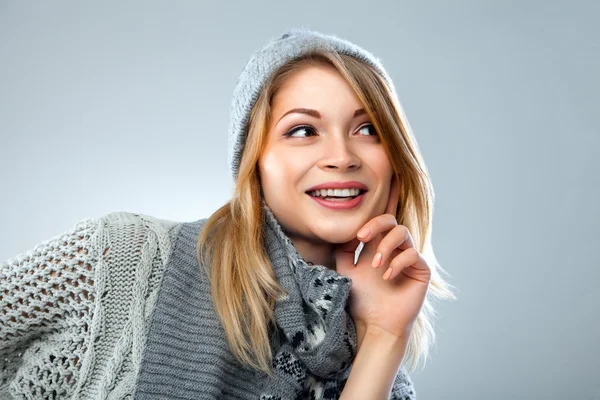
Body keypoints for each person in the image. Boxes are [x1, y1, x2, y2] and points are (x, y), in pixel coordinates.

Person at [0, 28, 457, 399]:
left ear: (395, 160)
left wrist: (382, 335)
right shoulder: (120, 258)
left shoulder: (383, 376)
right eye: (302, 130)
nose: (341, 156)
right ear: (253, 161)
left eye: (368, 129)